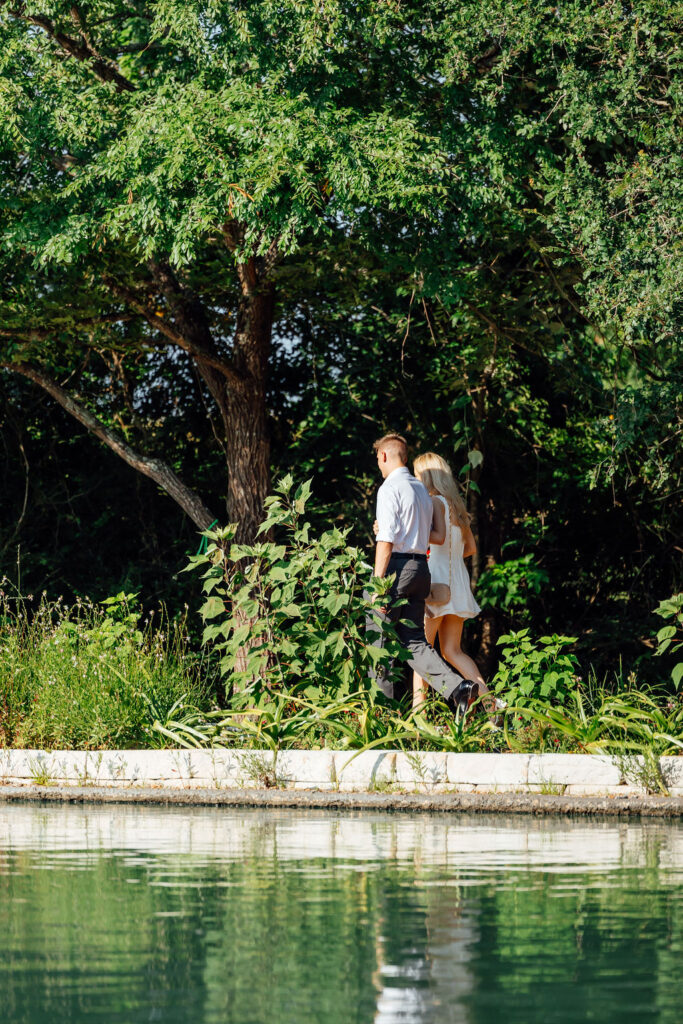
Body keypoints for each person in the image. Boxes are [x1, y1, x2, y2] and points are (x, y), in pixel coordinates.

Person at [367, 433, 478, 714]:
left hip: (397, 569)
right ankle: (458, 689)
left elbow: (388, 539)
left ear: (383, 456)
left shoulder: (389, 488)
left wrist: (378, 583)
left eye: (378, 459)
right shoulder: (420, 490)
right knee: (414, 642)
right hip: (421, 571)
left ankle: (383, 716)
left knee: (378, 640)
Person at [412, 452, 491, 711]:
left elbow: (430, 538)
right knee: (452, 651)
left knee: (421, 651)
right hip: (457, 583)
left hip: (435, 584)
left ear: (426, 476)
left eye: (416, 475)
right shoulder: (456, 507)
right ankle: (493, 707)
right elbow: (470, 548)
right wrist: (450, 552)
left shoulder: (433, 502)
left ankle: (418, 717)